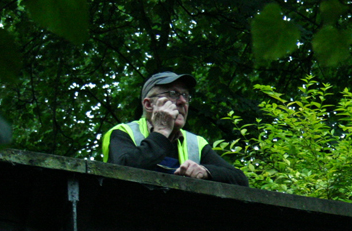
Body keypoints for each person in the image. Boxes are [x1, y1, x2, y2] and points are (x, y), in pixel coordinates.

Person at [100, 71, 248, 186]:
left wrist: (205, 171)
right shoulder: (123, 132)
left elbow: (240, 179)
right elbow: (122, 170)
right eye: (173, 94)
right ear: (149, 105)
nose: (182, 101)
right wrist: (161, 132)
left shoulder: (196, 143)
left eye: (185, 95)